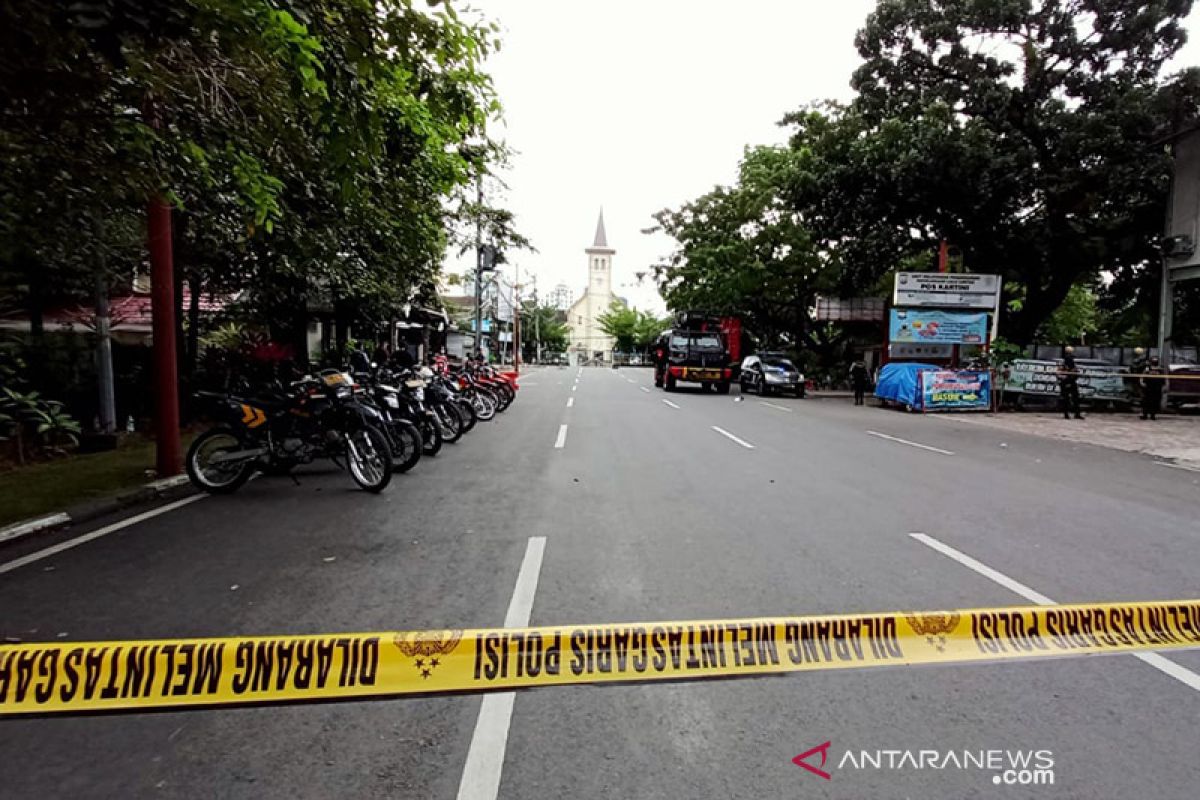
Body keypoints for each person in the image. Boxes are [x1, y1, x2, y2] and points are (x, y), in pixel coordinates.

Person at [1060, 346, 1083, 420]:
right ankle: (1070, 414)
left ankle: (1074, 413)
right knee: (1070, 398)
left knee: (1073, 397)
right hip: (1068, 380)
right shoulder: (1068, 360)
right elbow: (1071, 370)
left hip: (1070, 380)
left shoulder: (1066, 360)